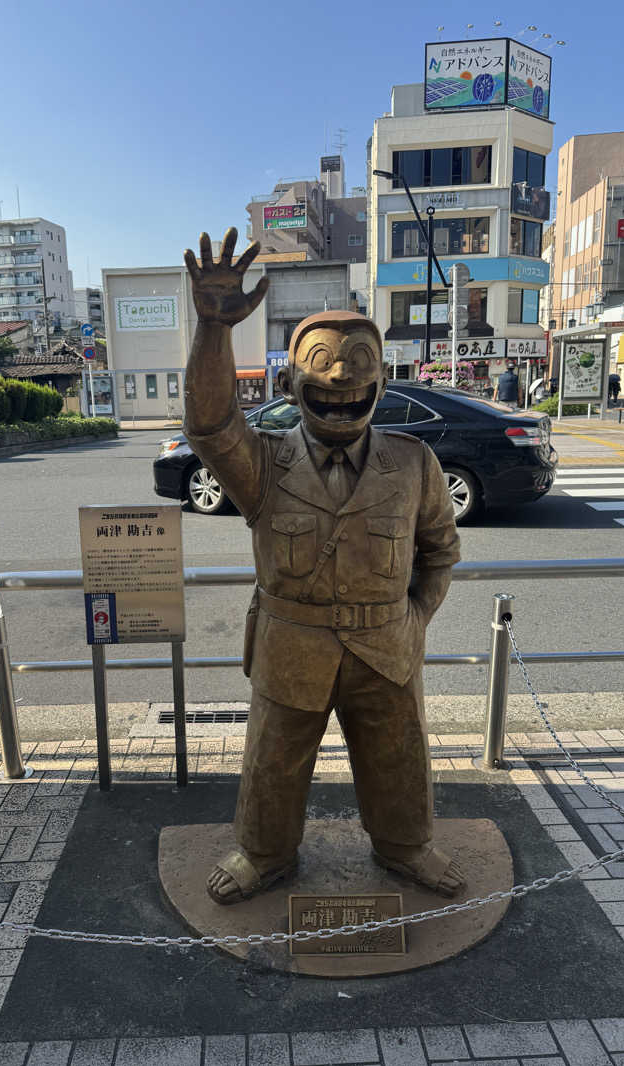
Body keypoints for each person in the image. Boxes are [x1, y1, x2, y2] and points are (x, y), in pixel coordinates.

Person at [183, 228, 465, 906]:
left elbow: (441, 550)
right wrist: (214, 329)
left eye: (358, 363)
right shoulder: (266, 462)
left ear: (383, 379)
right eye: (321, 363)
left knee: (398, 757)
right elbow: (210, 424)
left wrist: (416, 617)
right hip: (291, 641)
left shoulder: (412, 464)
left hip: (385, 644)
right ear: (289, 381)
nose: (340, 378)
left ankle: (406, 846)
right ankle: (264, 852)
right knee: (273, 761)